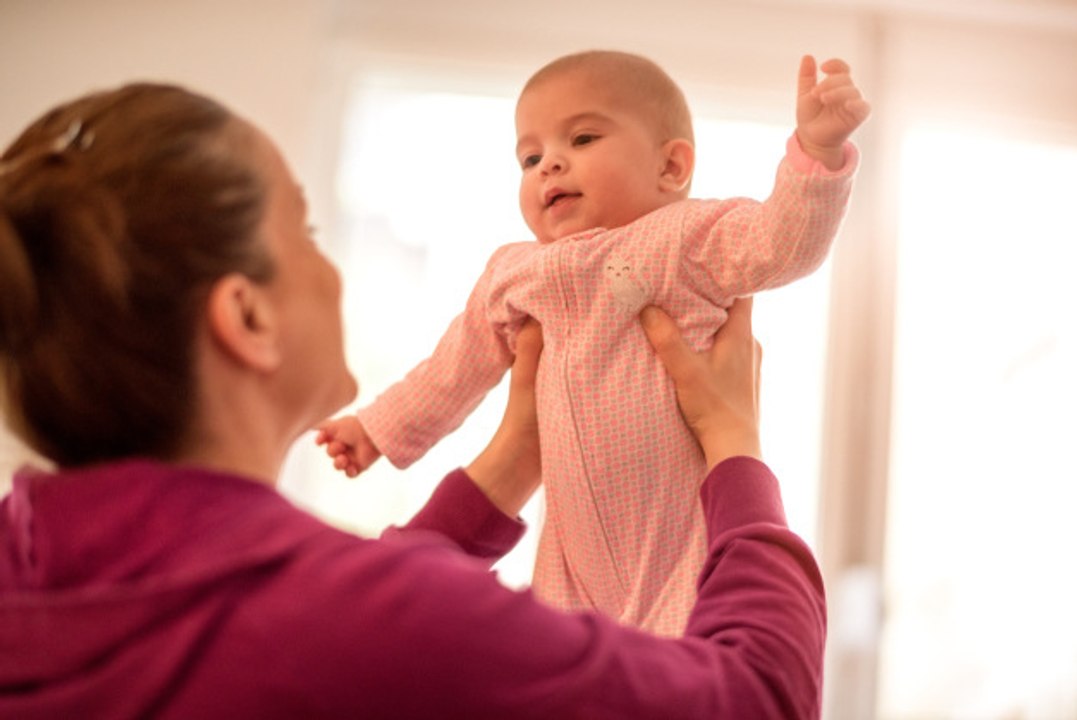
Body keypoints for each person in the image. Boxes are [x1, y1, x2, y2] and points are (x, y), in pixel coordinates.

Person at [0, 82, 825, 718]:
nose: (330, 269)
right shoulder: (367, 623)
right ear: (246, 317)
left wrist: (508, 464)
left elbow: (356, 603)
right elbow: (756, 699)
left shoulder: (24, 578)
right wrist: (734, 444)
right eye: (308, 232)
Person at [318, 49, 869, 635]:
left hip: (683, 544)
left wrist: (818, 153)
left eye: (581, 139)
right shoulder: (516, 273)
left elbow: (780, 244)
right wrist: (377, 428)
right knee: (568, 670)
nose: (549, 165)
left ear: (672, 168)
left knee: (684, 670)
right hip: (570, 559)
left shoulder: (684, 239)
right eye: (530, 157)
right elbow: (454, 366)